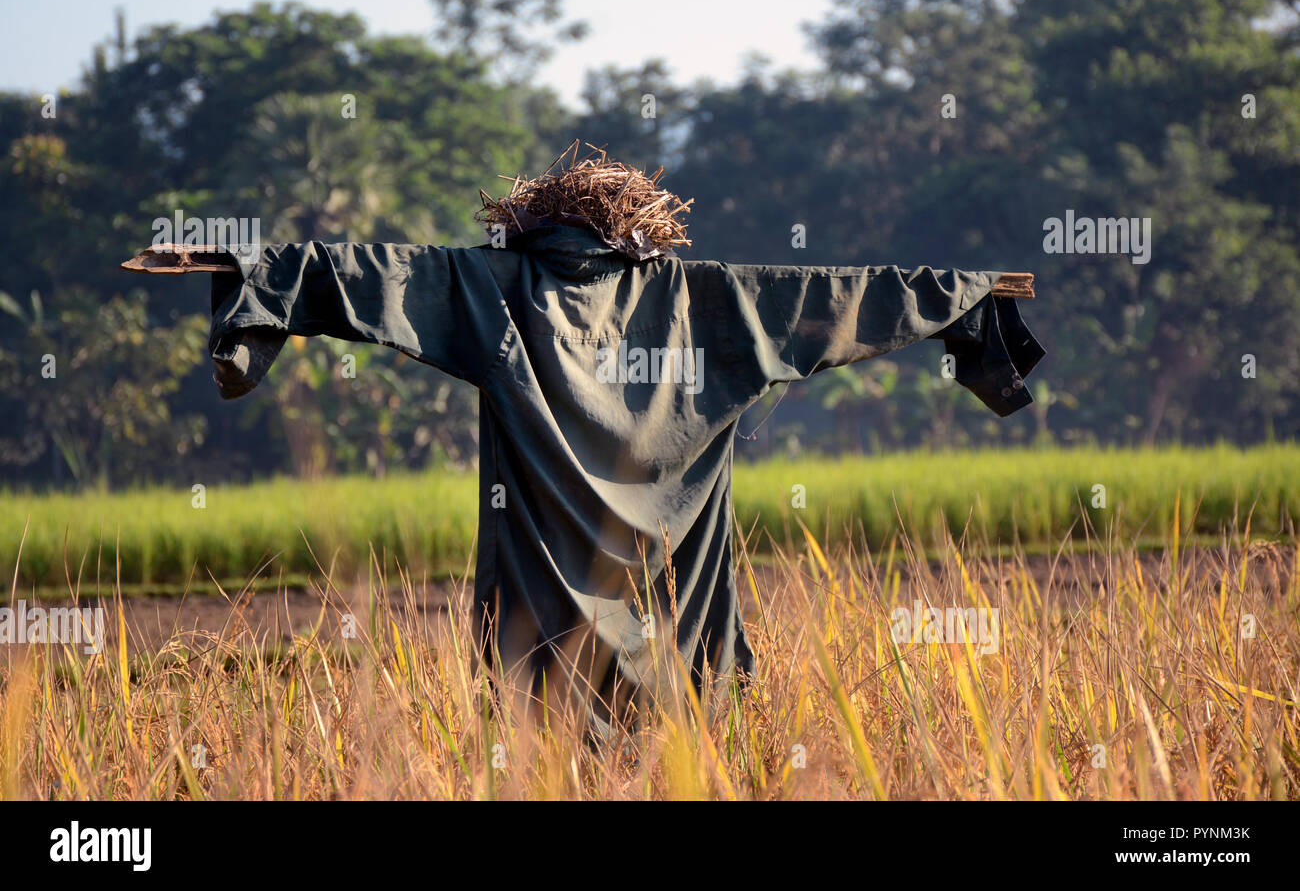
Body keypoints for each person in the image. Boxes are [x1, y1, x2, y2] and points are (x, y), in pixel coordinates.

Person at [204, 144, 1044, 735]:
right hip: (683, 629)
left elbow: (363, 276)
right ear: (637, 226)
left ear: (531, 225)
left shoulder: (490, 288)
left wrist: (256, 279)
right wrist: (964, 301)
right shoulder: (709, 300)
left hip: (546, 638)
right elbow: (843, 294)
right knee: (688, 727)